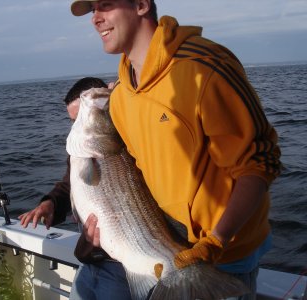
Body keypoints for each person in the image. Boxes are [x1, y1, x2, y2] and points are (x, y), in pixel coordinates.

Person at [70, 1, 282, 299]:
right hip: (167, 248)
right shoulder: (120, 97)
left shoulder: (205, 66)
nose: (95, 19)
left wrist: (216, 241)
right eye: (92, 10)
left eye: (104, 5)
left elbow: (260, 164)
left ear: (141, 5)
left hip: (226, 256)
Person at [18, 77, 132, 300]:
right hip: (89, 259)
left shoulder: (127, 143)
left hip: (122, 267)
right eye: (73, 120)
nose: (78, 125)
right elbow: (72, 183)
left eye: (82, 116)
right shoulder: (83, 150)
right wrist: (50, 203)